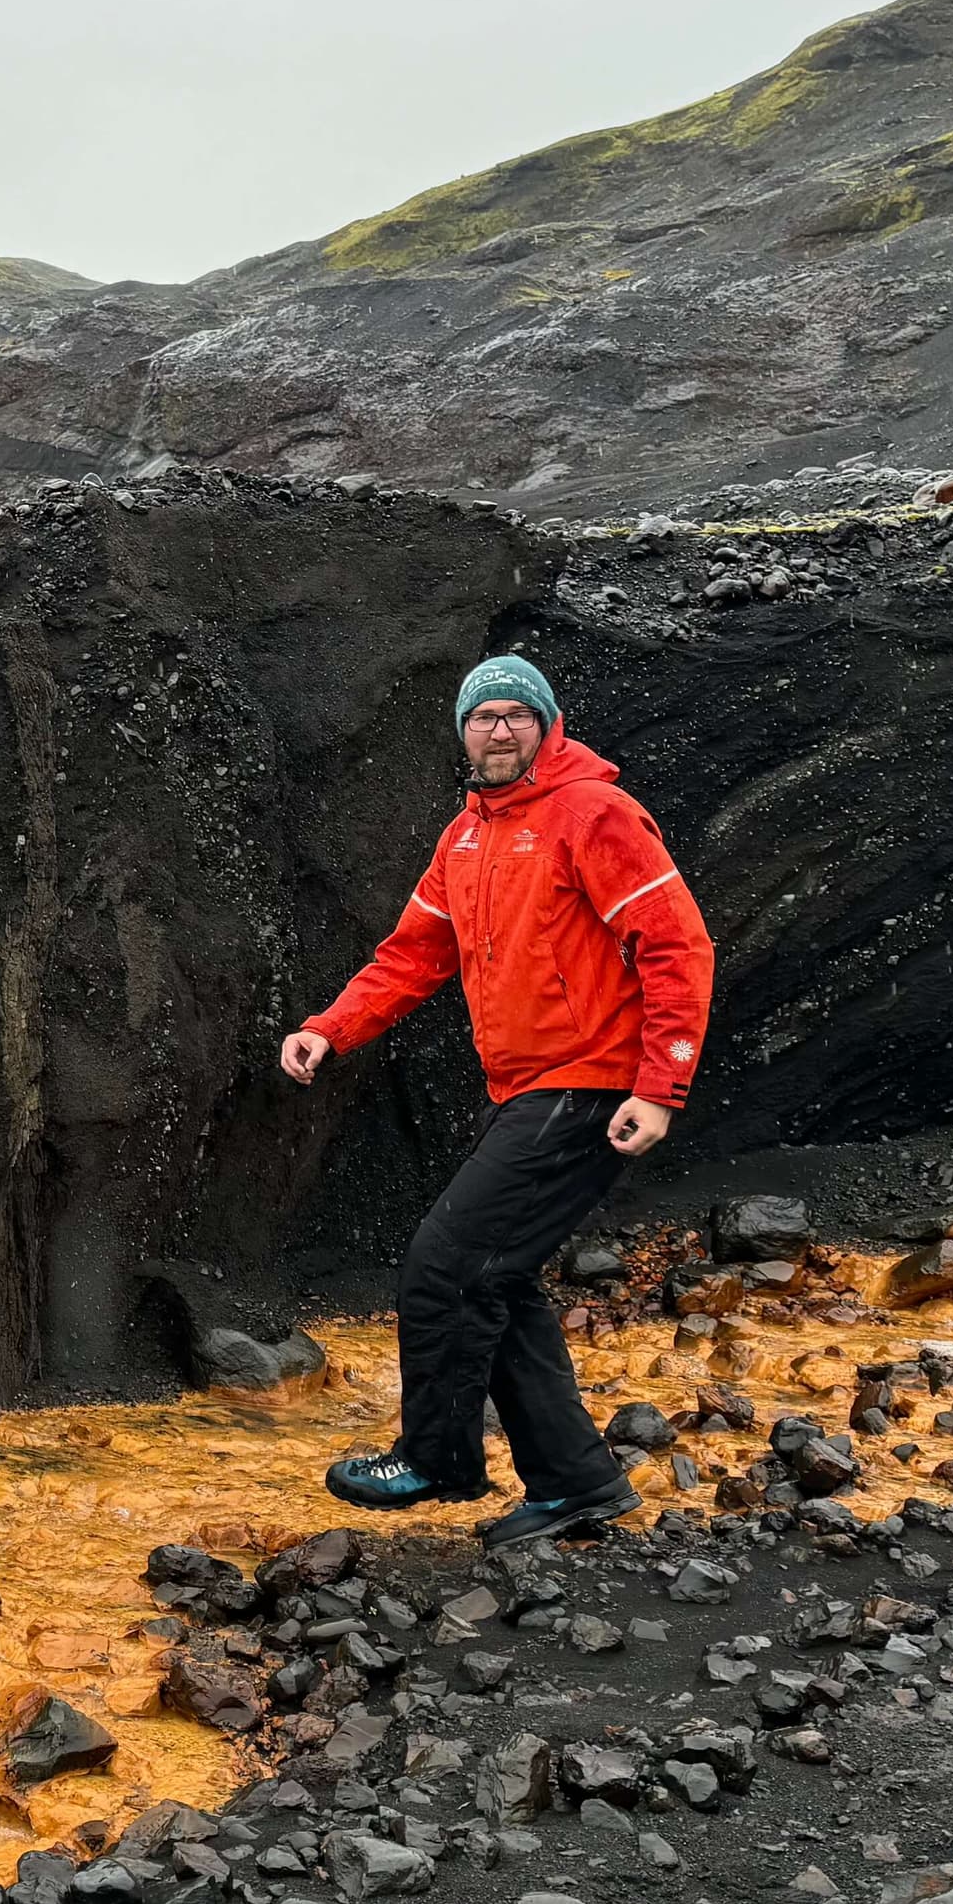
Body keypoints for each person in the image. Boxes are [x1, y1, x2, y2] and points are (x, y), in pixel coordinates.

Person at [278, 655, 715, 1549]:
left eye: (519, 715)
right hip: (527, 1089)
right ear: (464, 733)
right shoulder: (465, 839)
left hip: (590, 1082)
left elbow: (679, 947)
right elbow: (411, 957)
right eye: (485, 717)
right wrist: (332, 1027)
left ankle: (436, 1459)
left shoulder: (593, 813)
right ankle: (578, 1484)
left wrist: (660, 1087)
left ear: (547, 726)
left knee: (445, 1265)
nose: (502, 730)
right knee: (498, 1281)